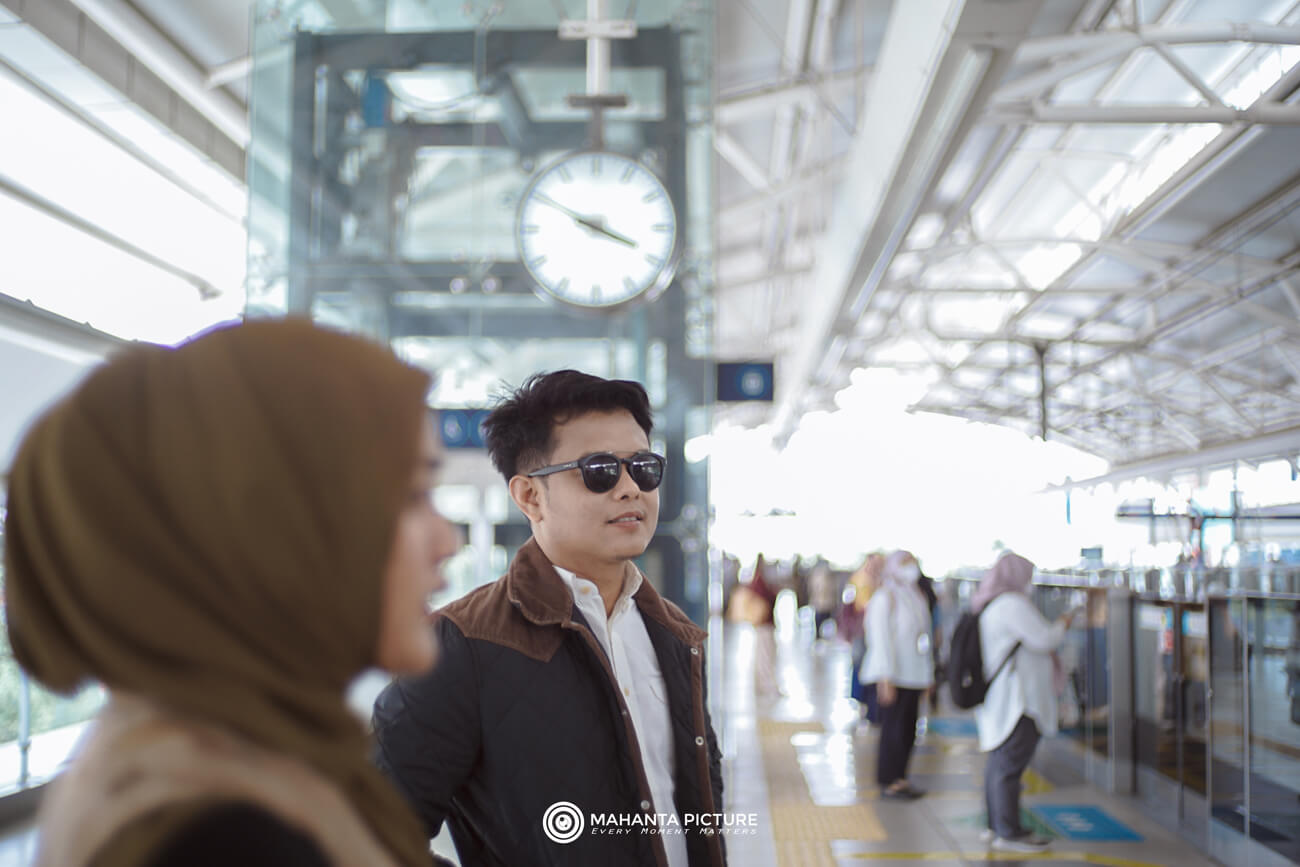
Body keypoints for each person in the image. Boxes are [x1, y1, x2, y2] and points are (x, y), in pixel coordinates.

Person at [3, 318, 461, 867]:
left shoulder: (207, 753)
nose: (447, 542)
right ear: (273, 533)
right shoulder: (225, 838)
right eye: (414, 496)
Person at [372, 370, 726, 867]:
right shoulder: (464, 644)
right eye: (600, 470)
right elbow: (364, 832)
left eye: (643, 468)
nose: (630, 488)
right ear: (529, 497)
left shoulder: (674, 634)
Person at [970, 552, 1074, 853]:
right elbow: (1044, 639)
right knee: (1009, 766)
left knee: (1000, 763)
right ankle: (1008, 831)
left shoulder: (992, 604)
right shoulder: (1011, 605)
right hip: (1018, 700)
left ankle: (997, 825)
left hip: (1005, 698)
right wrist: (1064, 622)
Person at [861, 550, 934, 799]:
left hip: (915, 674)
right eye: (905, 562)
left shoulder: (914, 594)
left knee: (908, 731)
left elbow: (924, 638)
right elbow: (880, 640)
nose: (911, 567)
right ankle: (889, 781)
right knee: (893, 731)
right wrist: (885, 678)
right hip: (895, 675)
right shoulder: (885, 596)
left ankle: (901, 778)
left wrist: (928, 675)